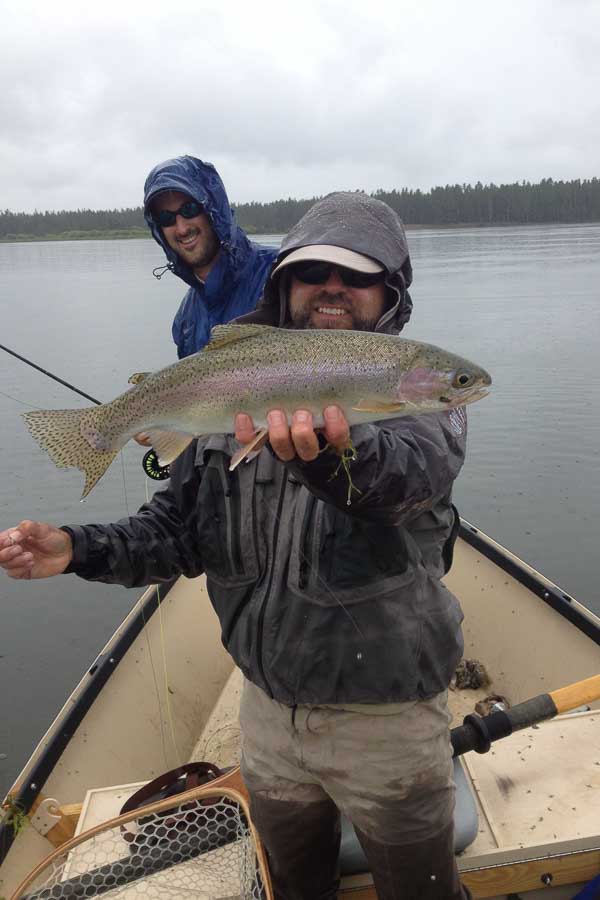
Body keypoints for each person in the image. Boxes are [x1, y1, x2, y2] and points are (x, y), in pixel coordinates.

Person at [0, 192, 473, 900]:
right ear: (284, 284)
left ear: (391, 293)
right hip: (267, 715)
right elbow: (177, 532)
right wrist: (75, 547)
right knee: (292, 884)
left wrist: (323, 456)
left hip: (388, 719)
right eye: (314, 273)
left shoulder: (429, 409)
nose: (333, 289)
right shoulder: (232, 387)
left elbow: (397, 481)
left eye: (358, 276)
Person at [144, 155, 277, 359]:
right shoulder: (185, 318)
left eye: (189, 209)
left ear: (213, 210)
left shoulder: (280, 273)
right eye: (166, 218)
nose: (181, 228)